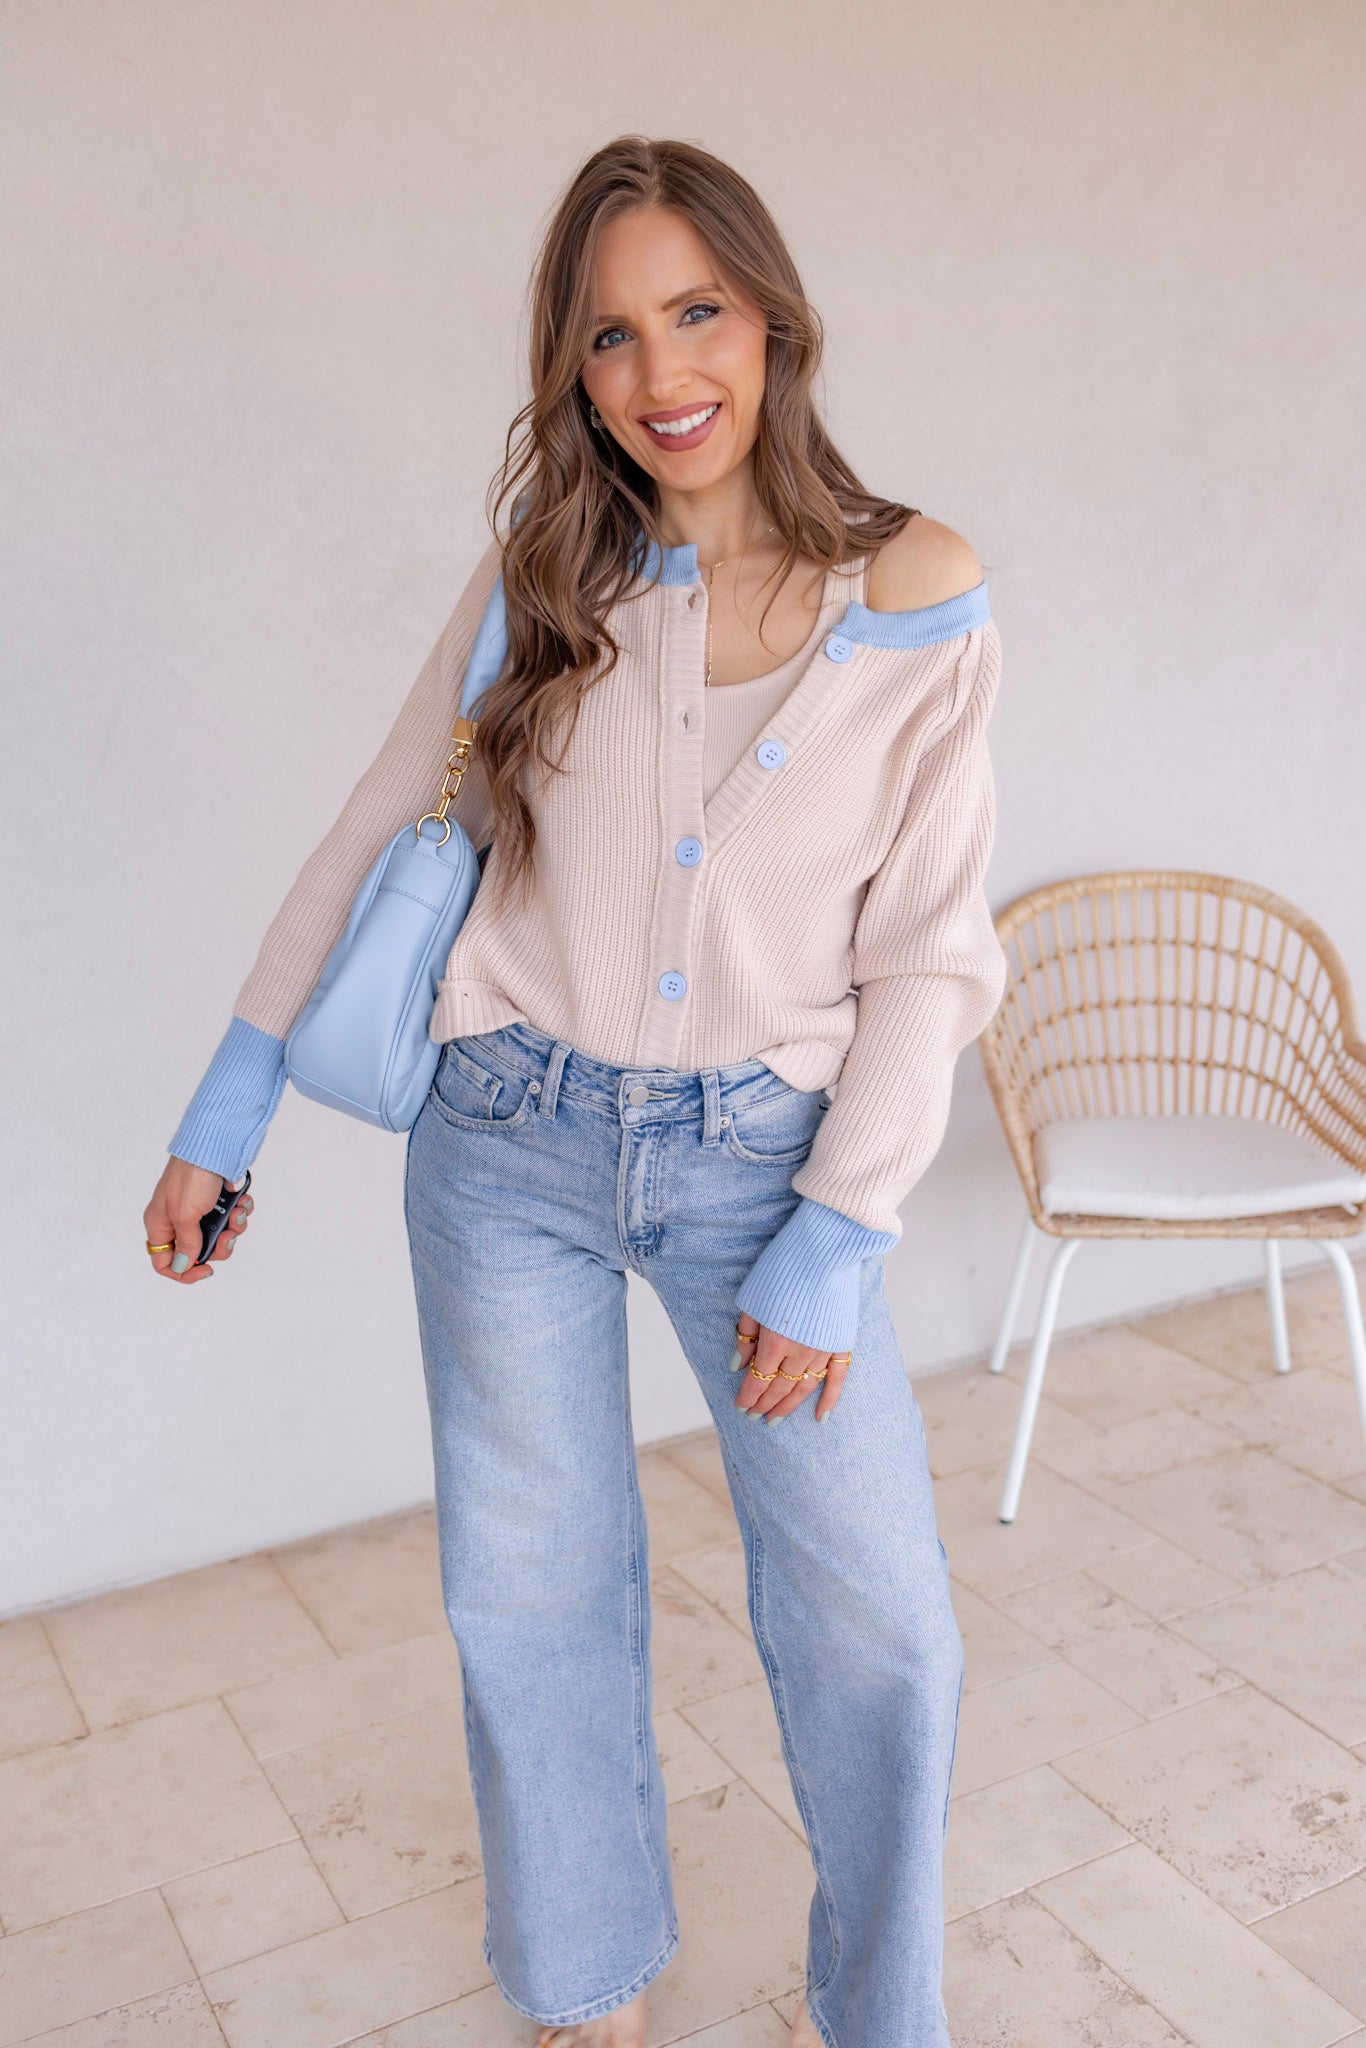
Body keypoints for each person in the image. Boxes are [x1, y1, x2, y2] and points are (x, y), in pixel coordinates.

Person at [144, 134, 1007, 2048]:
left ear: (773, 322)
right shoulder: (549, 569)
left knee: (876, 1622)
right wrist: (226, 1104)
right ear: (572, 365)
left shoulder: (916, 591)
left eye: (696, 312)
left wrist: (838, 1235)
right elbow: (380, 825)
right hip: (504, 1142)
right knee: (531, 1591)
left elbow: (930, 955)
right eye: (609, 334)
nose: (659, 371)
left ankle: (880, 2013)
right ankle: (586, 1978)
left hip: (767, 1171)